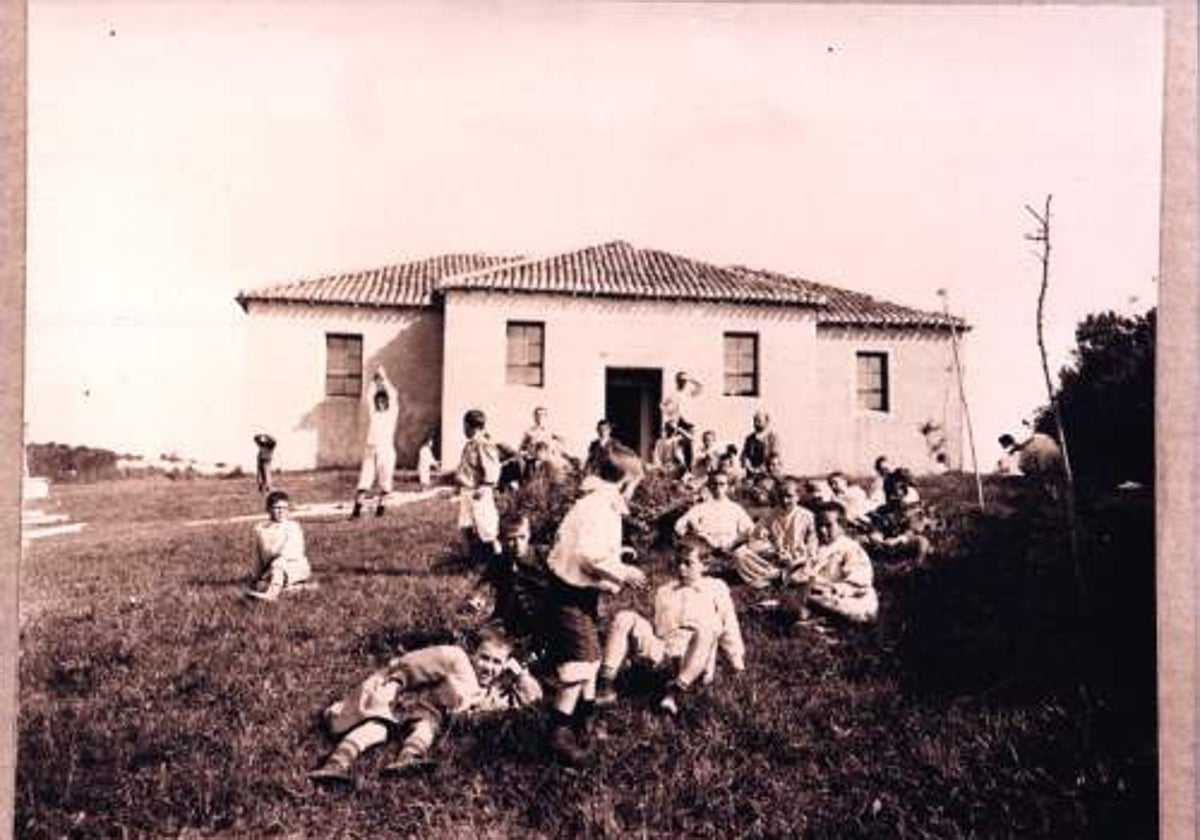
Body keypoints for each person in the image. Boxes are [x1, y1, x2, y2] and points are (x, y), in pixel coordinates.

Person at [308, 628, 542, 785]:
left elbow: (531, 699)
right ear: (474, 655)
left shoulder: (491, 694)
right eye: (484, 657)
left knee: (425, 728)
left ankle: (407, 759)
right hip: (401, 697)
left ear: (504, 667)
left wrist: (521, 674)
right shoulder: (460, 662)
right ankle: (335, 765)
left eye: (496, 662)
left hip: (426, 712)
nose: (488, 666)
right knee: (376, 727)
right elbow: (424, 661)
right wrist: (399, 679)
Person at [542, 458, 647, 765]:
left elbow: (590, 547)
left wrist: (616, 554)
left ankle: (584, 717)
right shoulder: (600, 509)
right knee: (582, 659)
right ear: (625, 482)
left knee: (593, 654)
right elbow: (587, 555)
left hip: (577, 590)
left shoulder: (593, 503)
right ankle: (558, 732)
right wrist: (622, 571)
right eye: (634, 487)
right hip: (568, 593)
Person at [596, 535, 745, 714]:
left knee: (708, 629)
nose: (681, 568)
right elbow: (659, 627)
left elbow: (729, 625)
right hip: (665, 651)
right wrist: (637, 649)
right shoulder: (665, 591)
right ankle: (606, 685)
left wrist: (736, 663)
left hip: (695, 655)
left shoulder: (716, 588)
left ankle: (674, 692)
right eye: (678, 562)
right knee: (625, 616)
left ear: (705, 565)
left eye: (688, 563)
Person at [461, 513, 550, 652]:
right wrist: (477, 597)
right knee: (482, 641)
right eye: (511, 539)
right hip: (510, 620)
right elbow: (485, 583)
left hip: (545, 617)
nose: (517, 544)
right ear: (500, 540)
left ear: (529, 535)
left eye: (522, 537)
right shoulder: (499, 560)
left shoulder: (544, 556)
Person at [732, 478, 817, 590]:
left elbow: (813, 545)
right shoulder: (769, 515)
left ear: (798, 497)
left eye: (789, 496)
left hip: (798, 562)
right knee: (740, 554)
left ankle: (781, 578)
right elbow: (754, 541)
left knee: (807, 569)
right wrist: (773, 551)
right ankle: (776, 577)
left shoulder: (807, 516)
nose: (785, 500)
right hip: (775, 561)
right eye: (781, 496)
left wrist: (796, 558)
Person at [808, 502, 880, 624]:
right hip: (823, 592)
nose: (822, 530)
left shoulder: (851, 549)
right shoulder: (817, 548)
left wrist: (833, 590)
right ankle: (818, 618)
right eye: (818, 526)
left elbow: (859, 582)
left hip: (850, 597)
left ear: (842, 526)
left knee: (813, 601)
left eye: (828, 526)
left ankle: (822, 618)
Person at [351, 367, 400, 519]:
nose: (380, 404)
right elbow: (369, 396)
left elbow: (392, 394)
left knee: (385, 481)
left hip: (386, 450)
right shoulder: (374, 414)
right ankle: (356, 511)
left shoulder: (392, 413)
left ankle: (380, 510)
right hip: (370, 450)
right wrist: (373, 380)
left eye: (382, 401)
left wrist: (384, 379)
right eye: (378, 401)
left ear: (386, 402)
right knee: (364, 480)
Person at [245, 490, 311, 602]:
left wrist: (276, 560)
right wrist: (257, 575)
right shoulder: (261, 529)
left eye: (284, 508)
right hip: (270, 568)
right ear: (268, 509)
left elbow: (292, 551)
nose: (281, 511)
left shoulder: (293, 527)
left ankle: (272, 594)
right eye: (277, 508)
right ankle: (294, 589)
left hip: (293, 565)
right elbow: (259, 555)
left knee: (278, 567)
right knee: (260, 584)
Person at [457, 409, 503, 563]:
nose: (463, 429)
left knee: (487, 529)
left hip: (479, 492)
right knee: (464, 525)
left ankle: (499, 561)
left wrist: (485, 486)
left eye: (464, 426)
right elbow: (466, 469)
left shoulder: (484, 444)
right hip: (467, 490)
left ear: (471, 427)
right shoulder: (470, 445)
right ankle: (468, 559)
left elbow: (492, 468)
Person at [673, 471, 755, 558]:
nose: (718, 487)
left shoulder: (735, 508)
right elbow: (679, 526)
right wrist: (696, 532)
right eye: (714, 484)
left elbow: (750, 530)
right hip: (706, 550)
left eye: (721, 484)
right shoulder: (700, 508)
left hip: (731, 551)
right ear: (709, 486)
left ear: (727, 487)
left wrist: (734, 544)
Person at [863, 468, 930, 565]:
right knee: (862, 541)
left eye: (894, 493)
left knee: (922, 542)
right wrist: (877, 537)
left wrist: (898, 539)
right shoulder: (882, 511)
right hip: (884, 544)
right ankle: (876, 563)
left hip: (902, 543)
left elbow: (912, 530)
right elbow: (876, 528)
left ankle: (915, 566)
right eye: (888, 493)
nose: (891, 497)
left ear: (904, 493)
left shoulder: (911, 509)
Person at [661, 371, 703, 468]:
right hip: (676, 421)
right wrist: (670, 414)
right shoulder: (672, 394)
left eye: (684, 381)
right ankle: (672, 467)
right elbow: (662, 406)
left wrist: (690, 379)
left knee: (688, 445)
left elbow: (700, 387)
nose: (682, 382)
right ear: (676, 381)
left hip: (687, 421)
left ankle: (688, 469)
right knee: (672, 445)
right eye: (680, 380)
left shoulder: (688, 393)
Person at [519, 407, 565, 478]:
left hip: (548, 461)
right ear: (534, 417)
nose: (540, 418)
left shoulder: (551, 432)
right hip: (533, 461)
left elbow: (561, 442)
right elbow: (521, 448)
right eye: (538, 415)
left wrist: (556, 450)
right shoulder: (529, 432)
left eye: (543, 415)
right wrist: (526, 454)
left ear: (546, 417)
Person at [740, 410, 781, 477]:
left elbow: (775, 456)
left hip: (768, 474)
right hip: (751, 474)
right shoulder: (750, 439)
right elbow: (744, 454)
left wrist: (762, 468)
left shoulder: (773, 438)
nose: (756, 423)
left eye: (759, 421)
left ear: (766, 422)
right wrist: (747, 463)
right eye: (755, 421)